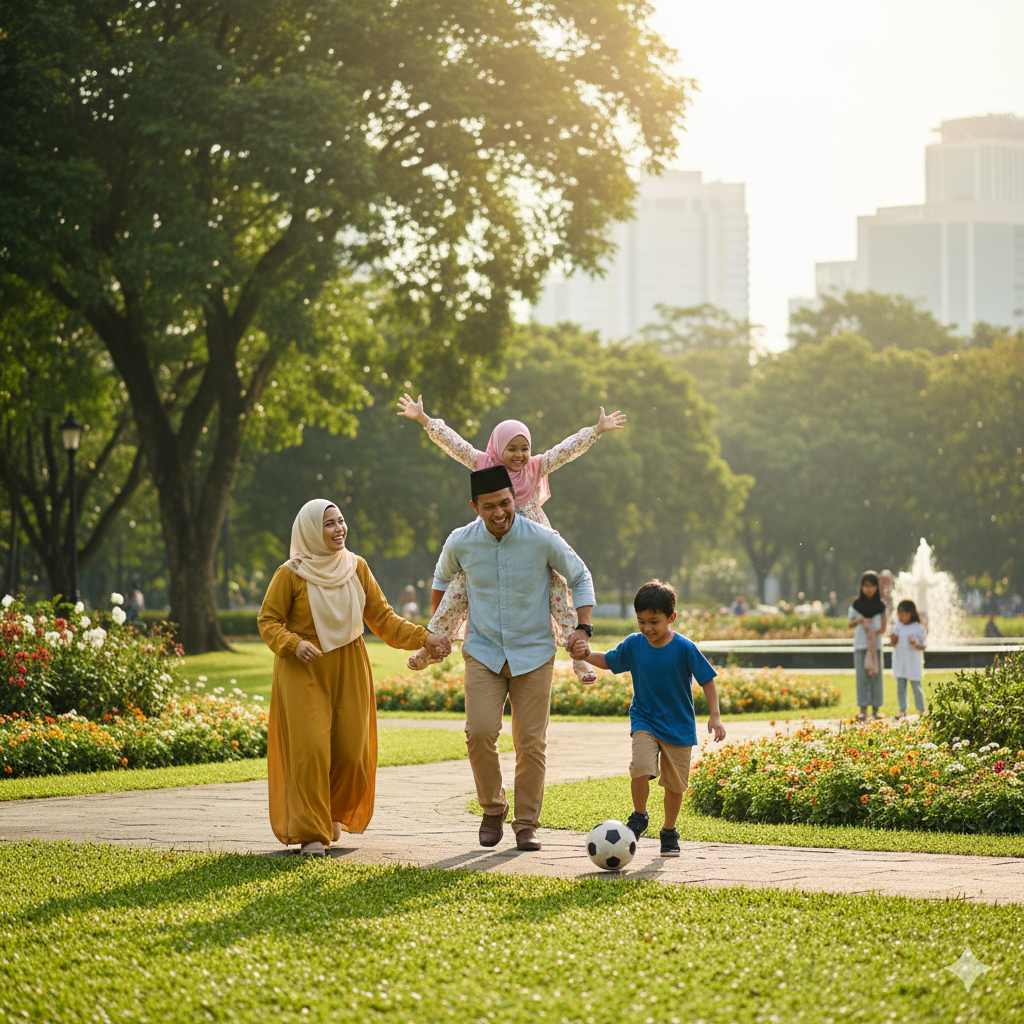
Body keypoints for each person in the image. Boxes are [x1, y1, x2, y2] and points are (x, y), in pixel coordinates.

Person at [258, 499, 450, 854]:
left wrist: (426, 638)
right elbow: (268, 620)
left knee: (350, 751)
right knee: (311, 750)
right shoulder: (291, 573)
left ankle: (332, 811)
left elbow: (384, 618)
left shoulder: (356, 567)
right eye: (328, 524)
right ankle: (311, 832)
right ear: (311, 531)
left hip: (350, 664)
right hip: (303, 667)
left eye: (341, 521)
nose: (338, 529)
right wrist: (293, 643)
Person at [399, 393, 625, 681]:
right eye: (512, 449)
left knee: (559, 594)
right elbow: (455, 445)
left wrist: (595, 431)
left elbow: (565, 450)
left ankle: (580, 659)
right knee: (458, 590)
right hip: (492, 542)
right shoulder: (485, 464)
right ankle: (429, 648)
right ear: (498, 448)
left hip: (534, 548)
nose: (519, 455)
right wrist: (424, 419)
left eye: (525, 448)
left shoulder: (536, 466)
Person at [432, 464, 595, 852]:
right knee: (480, 733)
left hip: (534, 653)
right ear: (475, 506)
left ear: (515, 499)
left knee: (531, 743)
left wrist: (582, 627)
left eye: (505, 503)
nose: (500, 512)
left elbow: (580, 575)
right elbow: (441, 581)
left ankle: (526, 823)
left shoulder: (542, 538)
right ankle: (493, 807)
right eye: (490, 506)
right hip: (483, 652)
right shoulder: (460, 541)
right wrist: (436, 635)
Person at [576, 580, 725, 856]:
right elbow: (610, 660)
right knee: (641, 767)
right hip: (644, 719)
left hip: (679, 726)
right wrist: (587, 654)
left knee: (675, 785)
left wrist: (714, 716)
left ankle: (669, 831)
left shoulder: (684, 647)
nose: (646, 628)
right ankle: (639, 816)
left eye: (653, 622)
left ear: (671, 617)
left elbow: (708, 680)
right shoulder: (635, 644)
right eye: (641, 621)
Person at [849, 571, 887, 721]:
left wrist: (873, 631)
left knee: (876, 678)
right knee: (862, 677)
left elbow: (883, 628)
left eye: (872, 586)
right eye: (866, 586)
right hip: (861, 645)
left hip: (875, 646)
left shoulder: (881, 606)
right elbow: (850, 623)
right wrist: (861, 621)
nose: (869, 589)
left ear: (877, 587)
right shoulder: (856, 605)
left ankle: (876, 709)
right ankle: (863, 709)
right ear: (862, 587)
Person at [890, 599, 927, 719]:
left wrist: (915, 643)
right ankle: (902, 710)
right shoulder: (897, 626)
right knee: (901, 688)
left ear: (911, 613)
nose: (902, 616)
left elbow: (923, 645)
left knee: (916, 687)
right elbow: (893, 643)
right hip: (900, 661)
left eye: (905, 613)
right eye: (899, 614)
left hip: (913, 662)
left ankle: (922, 710)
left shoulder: (918, 628)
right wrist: (893, 639)